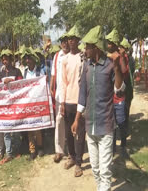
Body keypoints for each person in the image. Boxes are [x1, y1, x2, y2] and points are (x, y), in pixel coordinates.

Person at [71, 25, 125, 191]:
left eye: (87, 46)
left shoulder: (110, 65)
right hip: (90, 125)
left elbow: (119, 90)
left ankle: (105, 188)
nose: (84, 49)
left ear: (95, 48)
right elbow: (82, 95)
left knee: (105, 169)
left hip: (106, 125)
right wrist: (77, 119)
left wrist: (117, 68)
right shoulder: (87, 66)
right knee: (95, 167)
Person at [60, 26, 86, 177]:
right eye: (69, 39)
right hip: (68, 100)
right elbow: (63, 82)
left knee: (80, 133)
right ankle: (71, 156)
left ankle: (79, 163)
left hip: (80, 101)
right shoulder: (65, 59)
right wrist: (62, 103)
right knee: (69, 133)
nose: (70, 41)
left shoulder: (83, 57)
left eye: (73, 39)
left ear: (78, 40)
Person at [105, 29, 129, 157]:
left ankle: (124, 144)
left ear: (114, 44)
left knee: (120, 122)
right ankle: (113, 149)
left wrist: (120, 60)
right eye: (107, 42)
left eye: (110, 43)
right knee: (112, 124)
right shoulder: (105, 56)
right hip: (109, 97)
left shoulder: (120, 56)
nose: (108, 45)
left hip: (119, 96)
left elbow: (125, 73)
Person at [0, 48, 23, 164]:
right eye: (3, 59)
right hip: (5, 105)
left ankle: (17, 149)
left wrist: (10, 82)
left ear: (11, 60)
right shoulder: (0, 73)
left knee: (16, 128)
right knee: (6, 129)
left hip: (15, 104)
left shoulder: (17, 71)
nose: (4, 61)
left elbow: (22, 85)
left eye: (6, 59)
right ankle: (9, 153)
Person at [50, 33, 70, 163]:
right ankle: (59, 150)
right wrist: (52, 88)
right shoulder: (57, 56)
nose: (64, 43)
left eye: (66, 41)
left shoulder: (76, 55)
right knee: (59, 121)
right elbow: (53, 74)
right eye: (62, 41)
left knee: (72, 121)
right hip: (59, 94)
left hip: (72, 94)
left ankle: (72, 151)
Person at [22, 48, 45, 160]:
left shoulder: (40, 71)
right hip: (28, 103)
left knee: (38, 127)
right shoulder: (25, 72)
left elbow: (43, 84)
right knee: (29, 128)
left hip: (38, 101)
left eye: (29, 58)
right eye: (26, 59)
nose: (28, 60)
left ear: (34, 60)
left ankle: (40, 147)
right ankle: (32, 150)